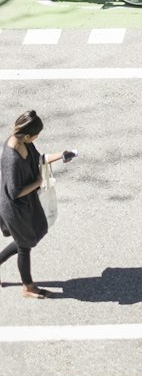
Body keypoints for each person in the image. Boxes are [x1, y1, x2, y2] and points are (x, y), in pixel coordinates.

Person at [0, 110, 75, 298]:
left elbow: (39, 160)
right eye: (35, 135)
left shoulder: (24, 142)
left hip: (26, 203)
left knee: (26, 239)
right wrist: (38, 182)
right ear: (26, 135)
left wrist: (61, 155)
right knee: (24, 245)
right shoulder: (12, 158)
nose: (36, 138)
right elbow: (15, 192)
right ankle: (28, 287)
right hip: (14, 207)